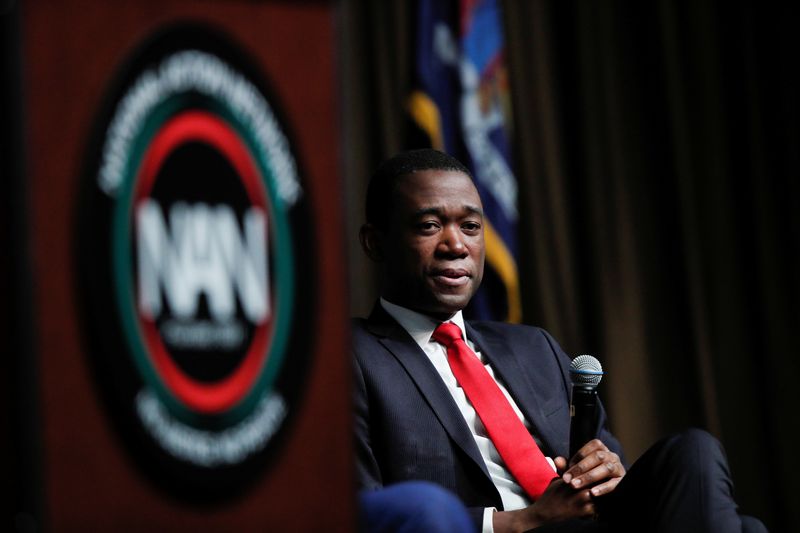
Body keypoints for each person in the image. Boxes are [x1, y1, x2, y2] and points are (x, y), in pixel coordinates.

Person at [353, 149, 766, 533]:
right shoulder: (350, 357)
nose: (456, 245)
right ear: (375, 242)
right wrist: (525, 520)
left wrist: (606, 470)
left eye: (471, 226)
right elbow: (362, 510)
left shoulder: (533, 347)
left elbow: (606, 467)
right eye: (429, 226)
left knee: (693, 452)